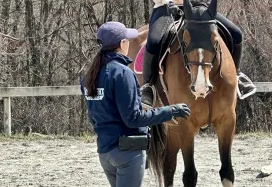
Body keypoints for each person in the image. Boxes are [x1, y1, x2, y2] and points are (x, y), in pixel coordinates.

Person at [81, 21, 191, 187]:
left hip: (105, 152)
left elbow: (100, 113)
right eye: (127, 40)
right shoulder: (122, 73)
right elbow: (133, 118)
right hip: (127, 152)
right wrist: (170, 111)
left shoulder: (89, 76)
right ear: (121, 43)